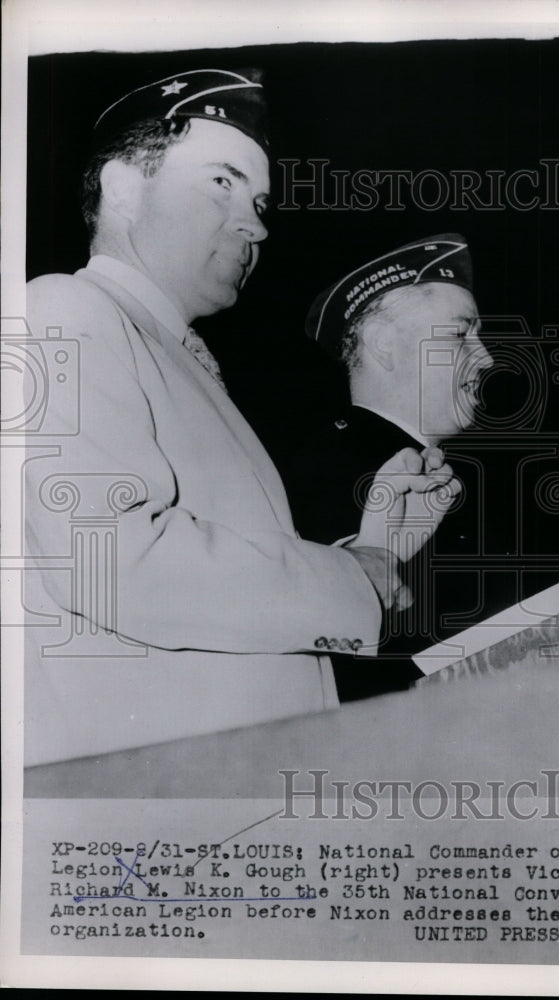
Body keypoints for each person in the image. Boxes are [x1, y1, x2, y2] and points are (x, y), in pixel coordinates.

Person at [22, 69, 459, 766]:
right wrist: (354, 581)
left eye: (258, 200)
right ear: (122, 188)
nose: (255, 223)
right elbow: (113, 566)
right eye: (221, 183)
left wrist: (369, 551)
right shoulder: (62, 311)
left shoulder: (176, 358)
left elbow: (210, 603)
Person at [281, 235, 493, 700]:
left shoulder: (433, 468)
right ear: (383, 345)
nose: (487, 358)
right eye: (461, 334)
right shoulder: (331, 470)